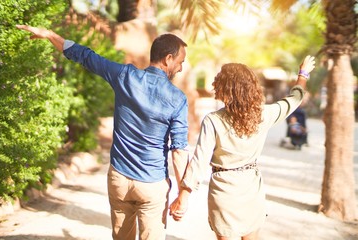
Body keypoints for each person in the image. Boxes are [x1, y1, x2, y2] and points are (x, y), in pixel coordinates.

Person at [16, 25, 190, 240]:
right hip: (151, 184)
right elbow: (179, 149)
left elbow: (87, 57)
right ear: (168, 58)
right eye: (180, 62)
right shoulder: (178, 99)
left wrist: (51, 35)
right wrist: (184, 192)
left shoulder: (125, 76)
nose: (181, 68)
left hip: (120, 179)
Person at [169, 56, 316, 240]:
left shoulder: (213, 120)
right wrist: (303, 73)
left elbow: (199, 162)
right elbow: (294, 99)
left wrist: (183, 197)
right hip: (251, 190)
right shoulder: (264, 114)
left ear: (225, 88)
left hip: (224, 193)